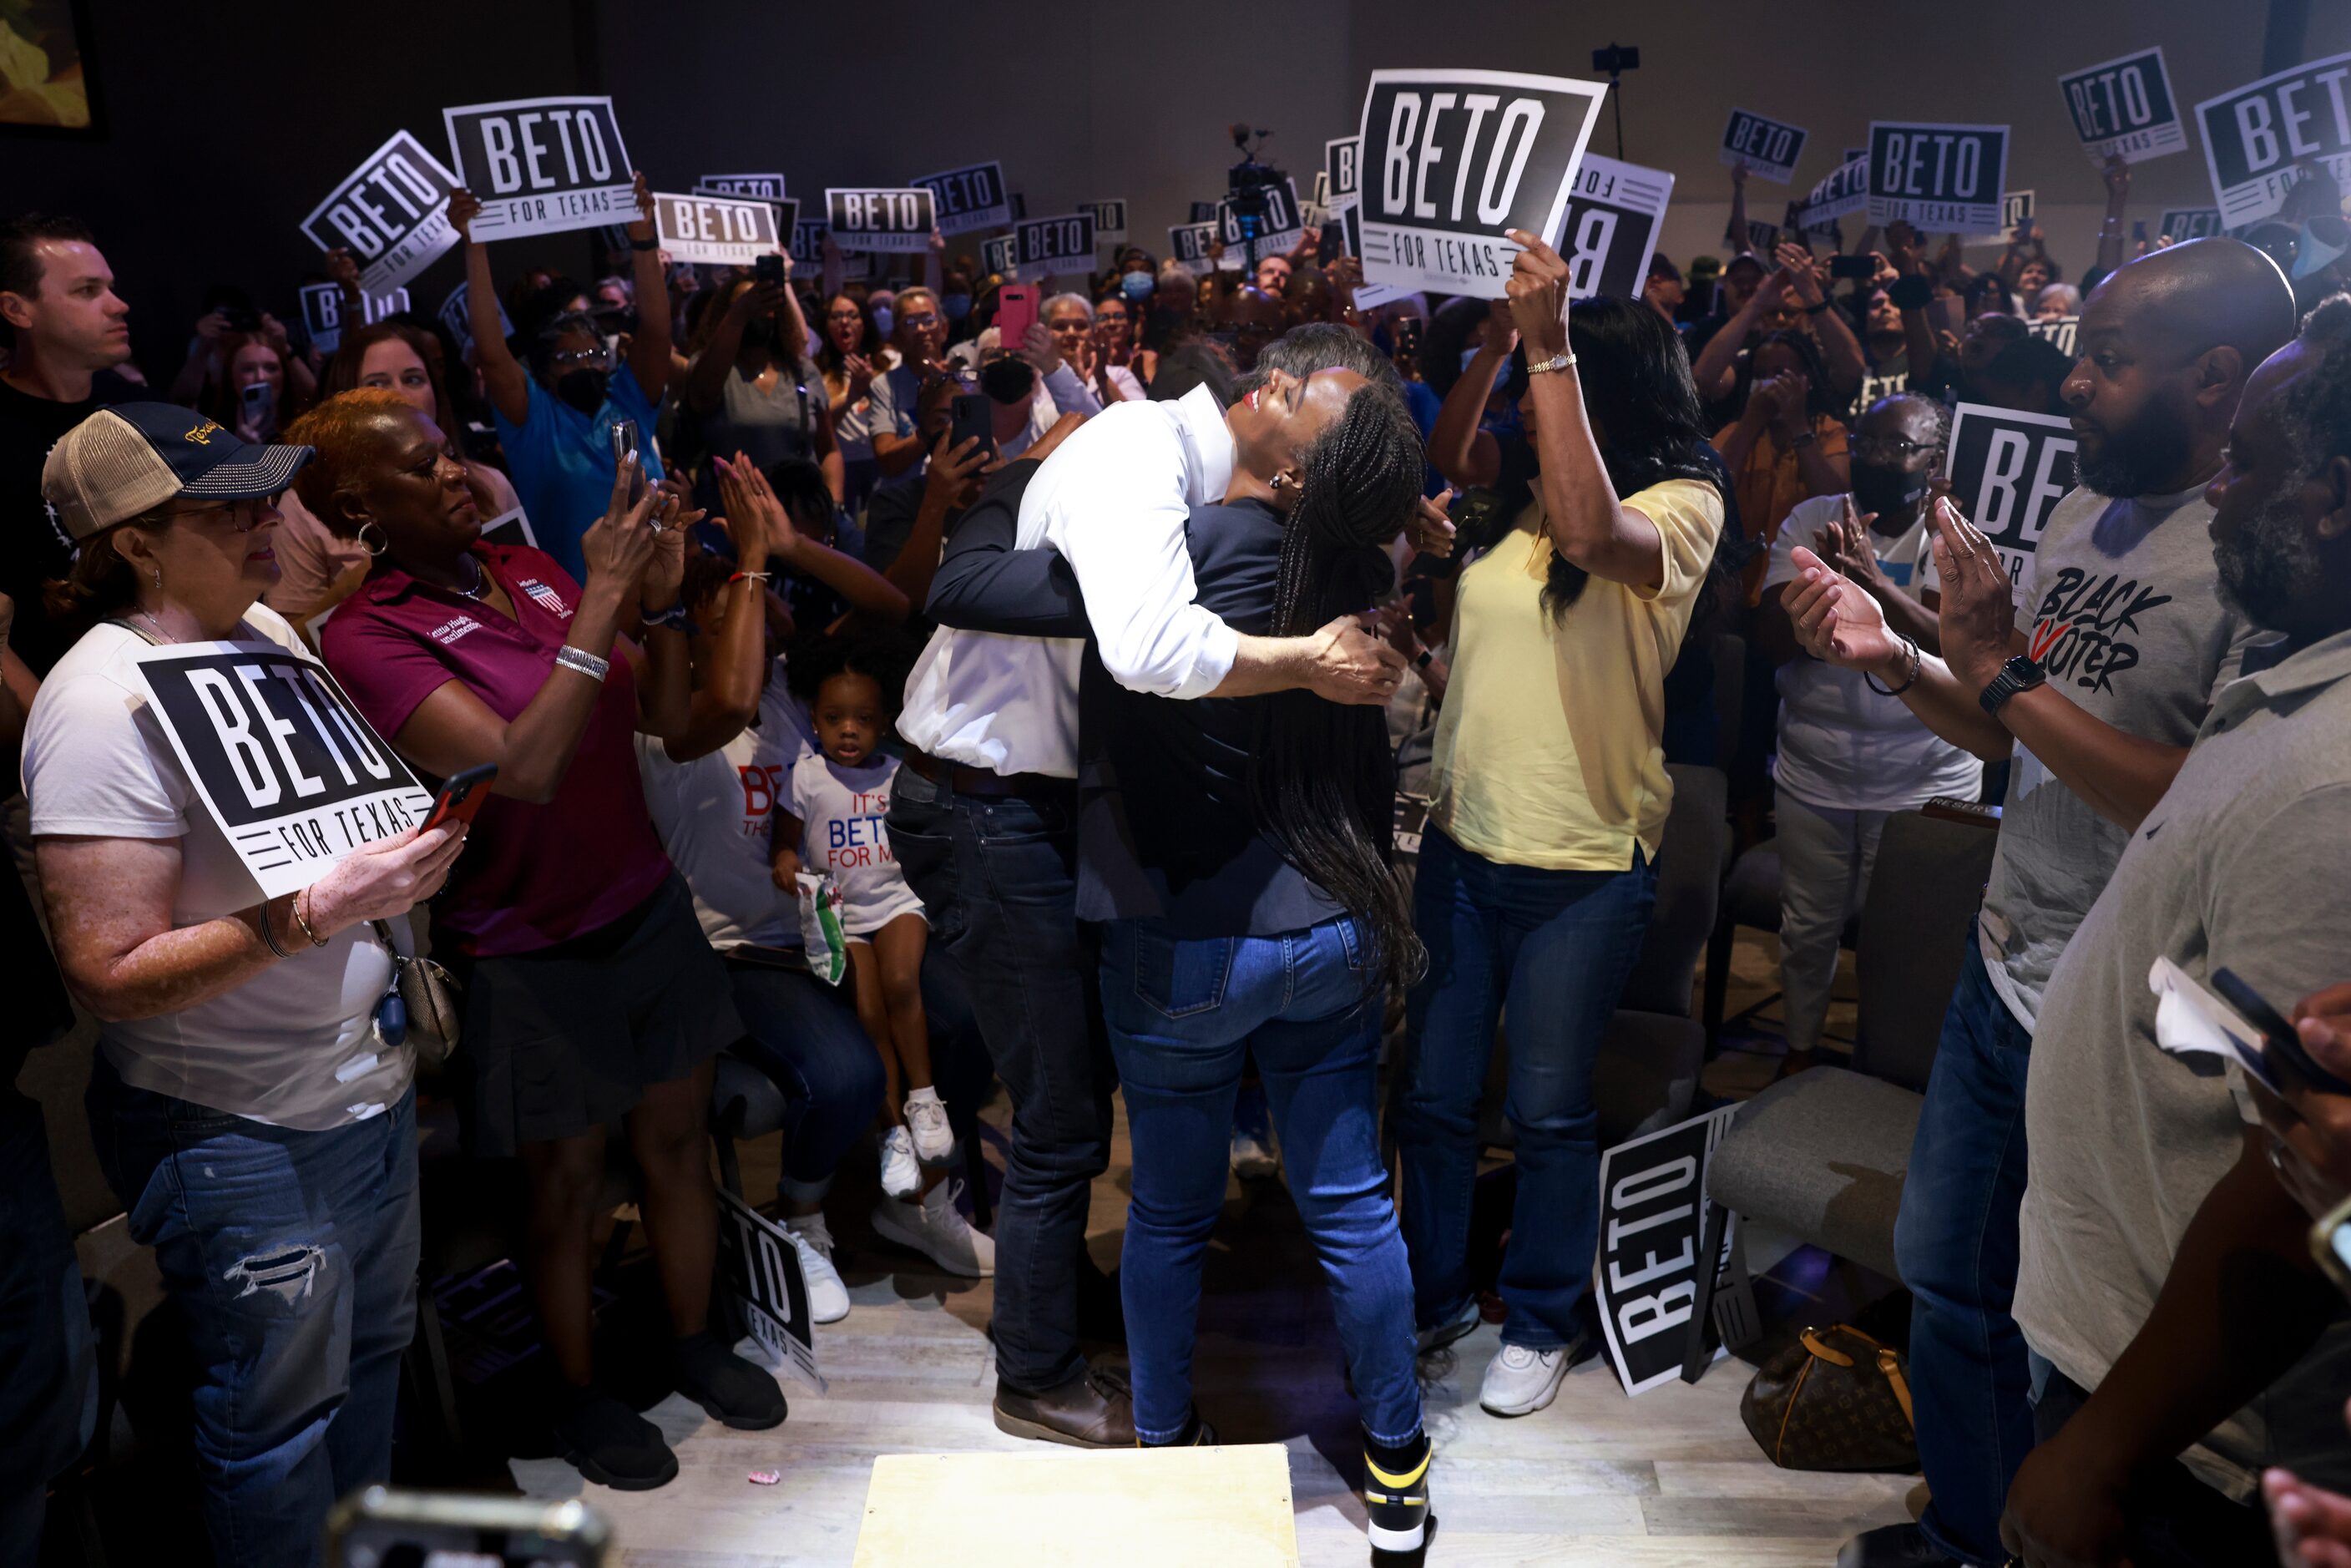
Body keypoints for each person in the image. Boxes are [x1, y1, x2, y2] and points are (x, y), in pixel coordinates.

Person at [1780, 238, 2298, 1568]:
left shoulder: (2257, 560)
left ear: (2216, 377)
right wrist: (1892, 649)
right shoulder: (2084, 513)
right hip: (2003, 965)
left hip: (2126, 1012)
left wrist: (2004, 676)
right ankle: (1971, 1528)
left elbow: (2192, 794)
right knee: (1947, 1275)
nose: (2073, 386)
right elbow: (2019, 731)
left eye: (2109, 363)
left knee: (2069, 1315)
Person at [897, 331, 1418, 1450]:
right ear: (1275, 388)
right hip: (986, 797)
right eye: (1332, 426)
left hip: (1078, 833)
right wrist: (1315, 660)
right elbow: (1147, 647)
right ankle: (1036, 1373)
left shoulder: (1228, 516)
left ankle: (1122, 1383)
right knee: (1062, 1119)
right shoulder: (1139, 455)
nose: (1322, 461)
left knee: (1116, 1149)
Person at [294, 389, 781, 1491]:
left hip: (641, 904)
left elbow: (652, 716)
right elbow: (520, 764)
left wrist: (650, 609)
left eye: (455, 451)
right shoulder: (370, 634)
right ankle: (576, 1393)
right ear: (360, 509)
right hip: (525, 942)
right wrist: (607, 593)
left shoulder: (527, 573)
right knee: (559, 1189)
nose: (458, 472)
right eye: (426, 468)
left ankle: (694, 1337)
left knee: (674, 1141)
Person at [23, 402, 468, 1567]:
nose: (269, 519)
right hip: (236, 1127)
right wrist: (314, 912)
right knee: (272, 1426)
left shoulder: (266, 632)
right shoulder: (97, 704)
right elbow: (107, 972)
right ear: (134, 541)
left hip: (358, 1090)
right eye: (229, 508)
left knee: (366, 1376)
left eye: (267, 494)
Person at [1985, 296, 2351, 1565]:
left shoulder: (2335, 776)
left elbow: (2293, 1190)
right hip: (2127, 1361)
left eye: (2249, 466)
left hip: (2186, 1437)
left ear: (2336, 500)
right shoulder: (2297, 674)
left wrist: (2103, 1447)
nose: (2224, 499)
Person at [1405, 247, 1726, 1419]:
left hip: (1583, 865)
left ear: (1611, 389)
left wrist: (1546, 347)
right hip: (1462, 846)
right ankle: (1434, 1293)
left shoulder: (1679, 506)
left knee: (1546, 1110)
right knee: (1434, 1100)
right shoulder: (1521, 494)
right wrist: (1500, 344)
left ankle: (1537, 1317)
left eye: (1570, 377)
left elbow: (1593, 540)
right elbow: (1453, 455)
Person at [1753, 394, 1980, 1075]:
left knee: (1906, 938)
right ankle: (1799, 1053)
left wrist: (1873, 584)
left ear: (1932, 460)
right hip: (1816, 767)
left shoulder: (1957, 533)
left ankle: (1887, 1067)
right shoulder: (1811, 518)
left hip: (1925, 774)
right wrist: (1817, 594)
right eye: (1868, 442)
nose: (1880, 458)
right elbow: (1766, 639)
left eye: (1900, 447)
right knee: (1807, 926)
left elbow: (1961, 653)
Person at [771, 642, 955, 1206]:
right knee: (869, 1009)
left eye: (863, 720)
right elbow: (782, 844)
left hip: (897, 902)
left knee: (903, 983)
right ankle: (891, 1133)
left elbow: (926, 835)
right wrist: (787, 866)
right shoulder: (804, 777)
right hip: (840, 915)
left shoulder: (898, 774)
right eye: (834, 720)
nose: (848, 732)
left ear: (883, 725)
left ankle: (925, 1100)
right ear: (814, 722)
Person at [449, 176, 674, 584]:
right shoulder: (533, 419)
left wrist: (643, 239)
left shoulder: (629, 399)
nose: (584, 364)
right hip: (577, 607)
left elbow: (656, 332)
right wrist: (475, 244)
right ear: (545, 371)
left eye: (592, 354)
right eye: (568, 357)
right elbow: (492, 354)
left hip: (657, 589)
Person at [267, 320, 524, 625]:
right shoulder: (302, 510)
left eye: (413, 379)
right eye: (377, 384)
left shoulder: (488, 482)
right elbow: (290, 641)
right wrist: (363, 580)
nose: (399, 396)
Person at [0, 213, 134, 673]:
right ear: (18, 310)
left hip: (155, 676)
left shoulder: (140, 409)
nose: (118, 306)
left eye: (110, 287)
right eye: (87, 291)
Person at [681, 263, 842, 507]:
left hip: (799, 516)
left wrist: (834, 505)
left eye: (765, 303)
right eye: (746, 303)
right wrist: (739, 315)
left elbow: (829, 449)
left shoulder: (802, 370)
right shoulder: (711, 368)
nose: (757, 310)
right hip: (733, 516)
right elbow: (702, 395)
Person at [1711, 328, 1851, 571]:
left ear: (1806, 380)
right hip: (1738, 576)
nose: (1769, 381)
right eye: (1760, 374)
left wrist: (1797, 424)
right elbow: (1712, 487)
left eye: (1780, 373)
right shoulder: (1737, 430)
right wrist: (1751, 420)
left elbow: (1834, 501)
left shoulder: (1827, 429)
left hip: (1803, 573)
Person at [817, 291, 891, 508]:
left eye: (852, 315)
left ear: (865, 323)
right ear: (827, 326)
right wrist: (851, 397)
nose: (844, 322)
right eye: (836, 316)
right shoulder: (817, 371)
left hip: (880, 462)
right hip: (841, 464)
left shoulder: (887, 364)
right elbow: (821, 427)